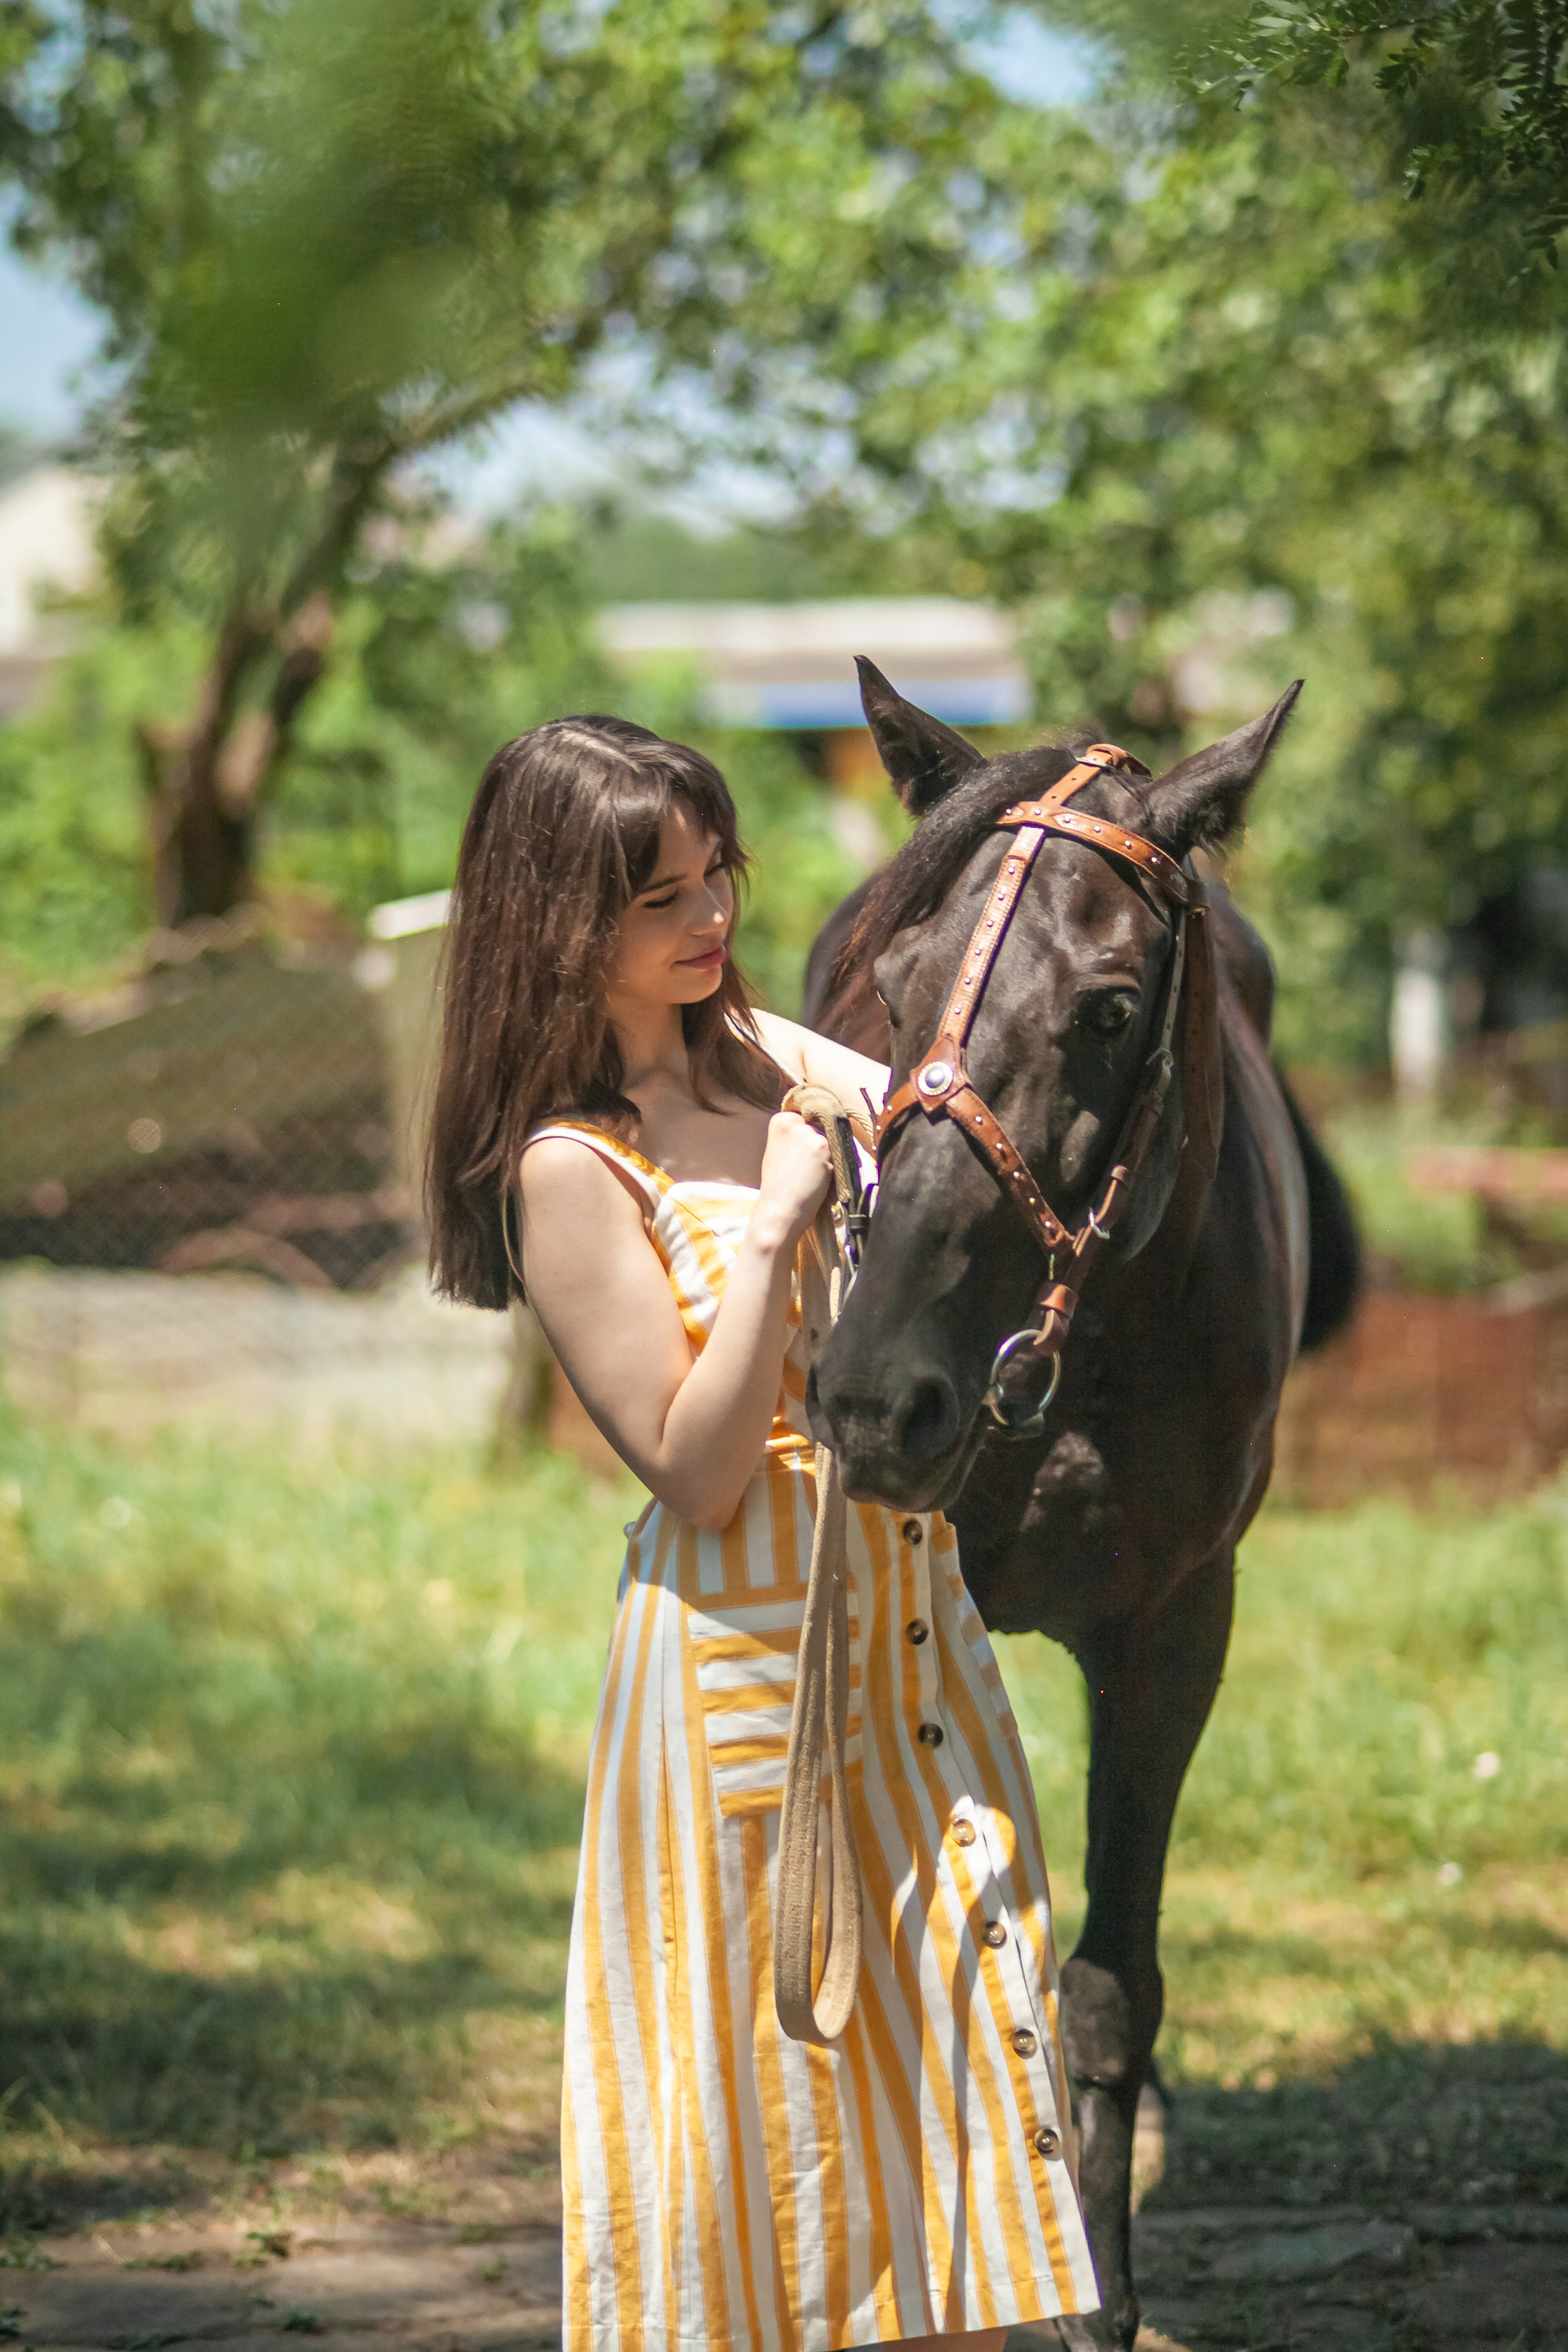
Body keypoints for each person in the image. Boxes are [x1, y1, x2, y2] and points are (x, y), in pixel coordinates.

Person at [426, 716, 1098, 2352]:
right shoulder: (573, 1166)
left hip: (911, 1652)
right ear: (558, 925)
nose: (711, 912)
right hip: (740, 1675)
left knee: (970, 2044)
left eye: (715, 866)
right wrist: (791, 1214)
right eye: (662, 895)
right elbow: (694, 1465)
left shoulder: (784, 1062)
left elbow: (989, 1132)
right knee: (773, 2133)